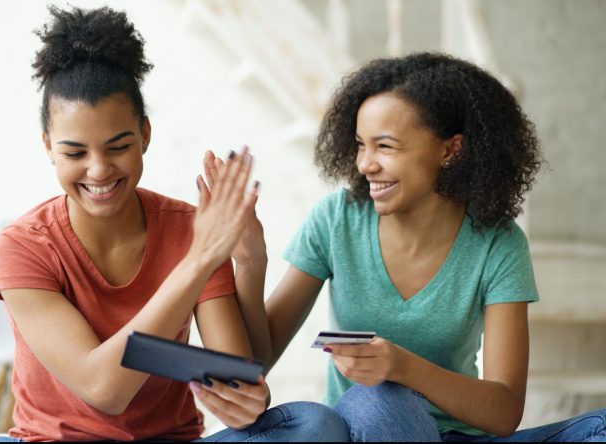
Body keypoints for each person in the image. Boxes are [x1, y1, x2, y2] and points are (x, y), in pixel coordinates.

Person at [0, 5, 348, 443]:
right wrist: (199, 260)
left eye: (119, 146)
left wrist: (243, 398)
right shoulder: (23, 246)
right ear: (48, 147)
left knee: (314, 425)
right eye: (75, 153)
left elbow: (233, 367)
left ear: (146, 135)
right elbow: (104, 391)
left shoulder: (190, 230)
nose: (98, 171)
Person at [203, 52, 606, 441]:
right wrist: (250, 263)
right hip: (371, 428)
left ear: (451, 150)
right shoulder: (337, 220)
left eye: (385, 146)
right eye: (360, 144)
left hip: (462, 436)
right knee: (380, 400)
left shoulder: (497, 243)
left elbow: (502, 413)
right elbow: (259, 360)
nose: (364, 164)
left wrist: (402, 366)